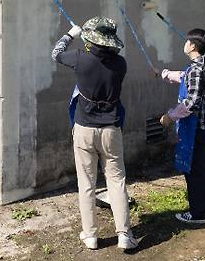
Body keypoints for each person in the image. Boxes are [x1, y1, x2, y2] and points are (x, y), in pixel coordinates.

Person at [51, 16, 138, 251]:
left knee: (87, 184)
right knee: (116, 182)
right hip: (111, 129)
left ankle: (90, 236)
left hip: (84, 129)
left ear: (91, 38)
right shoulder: (121, 64)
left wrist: (70, 34)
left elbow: (56, 53)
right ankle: (124, 235)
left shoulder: (80, 59)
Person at [160, 29, 205, 224]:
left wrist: (170, 116)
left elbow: (192, 101)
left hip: (196, 128)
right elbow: (184, 76)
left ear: (193, 46)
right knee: (202, 168)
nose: (184, 43)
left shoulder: (196, 69)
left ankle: (197, 214)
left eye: (187, 41)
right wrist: (165, 74)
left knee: (193, 171)